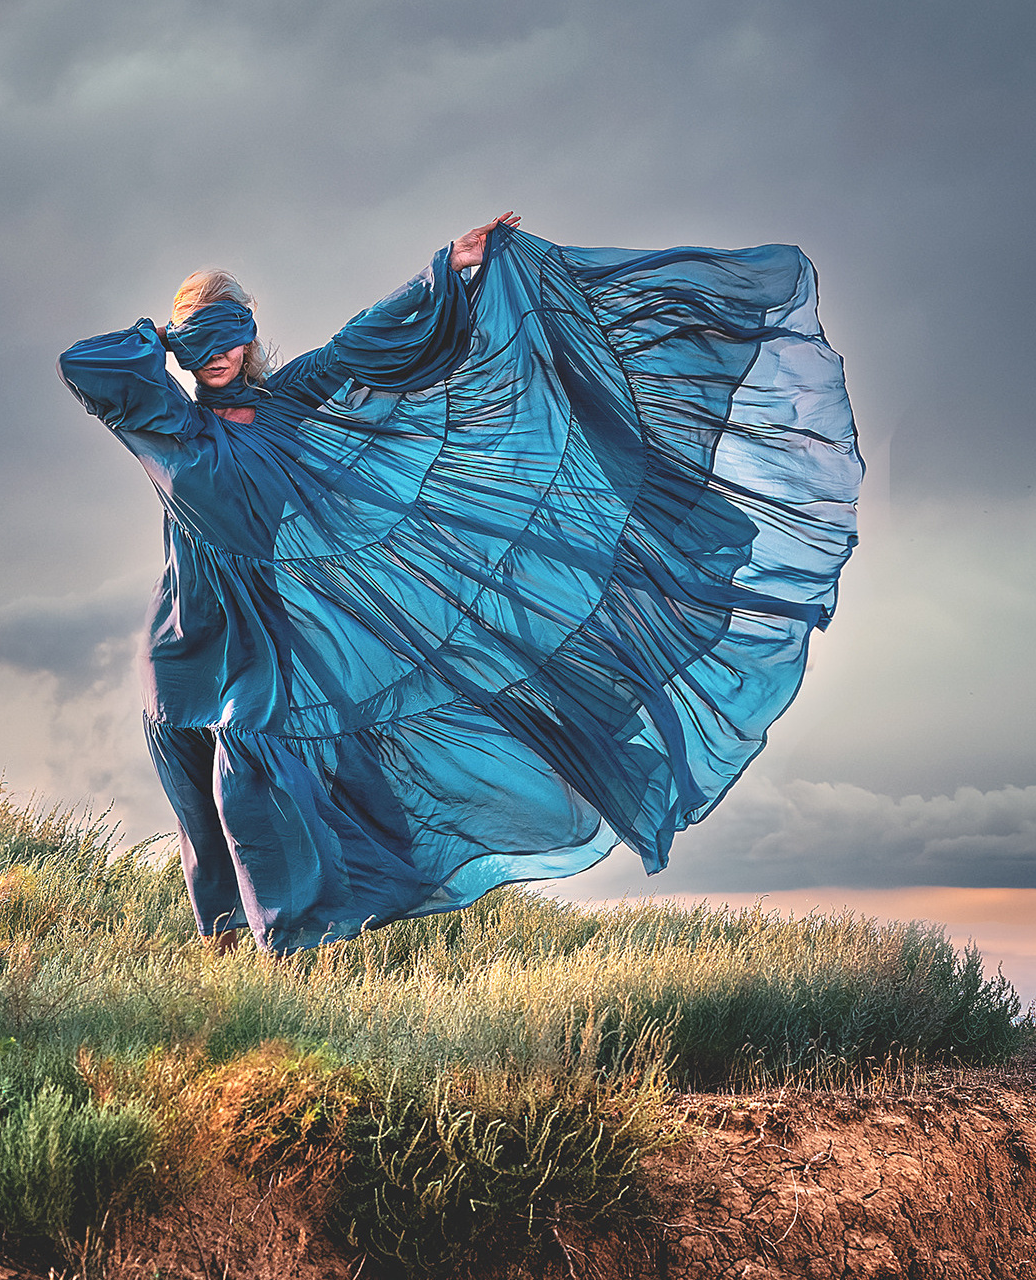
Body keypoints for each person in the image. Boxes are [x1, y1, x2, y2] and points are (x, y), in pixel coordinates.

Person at [59, 213, 861, 955]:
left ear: (250, 338)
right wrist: (168, 338)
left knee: (253, 761)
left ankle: (288, 947)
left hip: (263, 633)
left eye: (230, 336)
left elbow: (359, 345)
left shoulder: (288, 402)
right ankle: (223, 953)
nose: (219, 354)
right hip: (182, 637)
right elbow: (84, 362)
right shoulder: (166, 423)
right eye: (203, 341)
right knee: (198, 806)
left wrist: (446, 268)